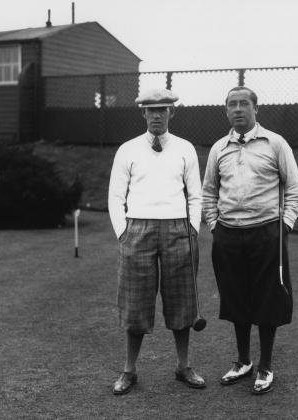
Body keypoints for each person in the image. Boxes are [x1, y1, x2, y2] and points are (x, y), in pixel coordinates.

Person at [202, 86, 298, 395]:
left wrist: (283, 227)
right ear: (226, 111)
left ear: (256, 108)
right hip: (228, 234)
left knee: (268, 298)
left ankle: (265, 365)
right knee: (236, 297)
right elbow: (208, 191)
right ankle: (243, 360)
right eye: (232, 105)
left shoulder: (275, 143)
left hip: (266, 232)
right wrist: (214, 226)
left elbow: (295, 189)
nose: (238, 109)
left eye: (244, 103)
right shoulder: (219, 148)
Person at [108, 88, 205, 395]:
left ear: (171, 113)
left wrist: (193, 227)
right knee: (135, 303)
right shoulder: (127, 150)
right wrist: (123, 231)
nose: (157, 115)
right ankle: (129, 370)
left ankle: (183, 365)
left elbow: (195, 194)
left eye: (162, 110)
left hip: (179, 230)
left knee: (181, 302)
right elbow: (115, 196)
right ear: (143, 114)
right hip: (137, 230)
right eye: (151, 111)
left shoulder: (186, 148)